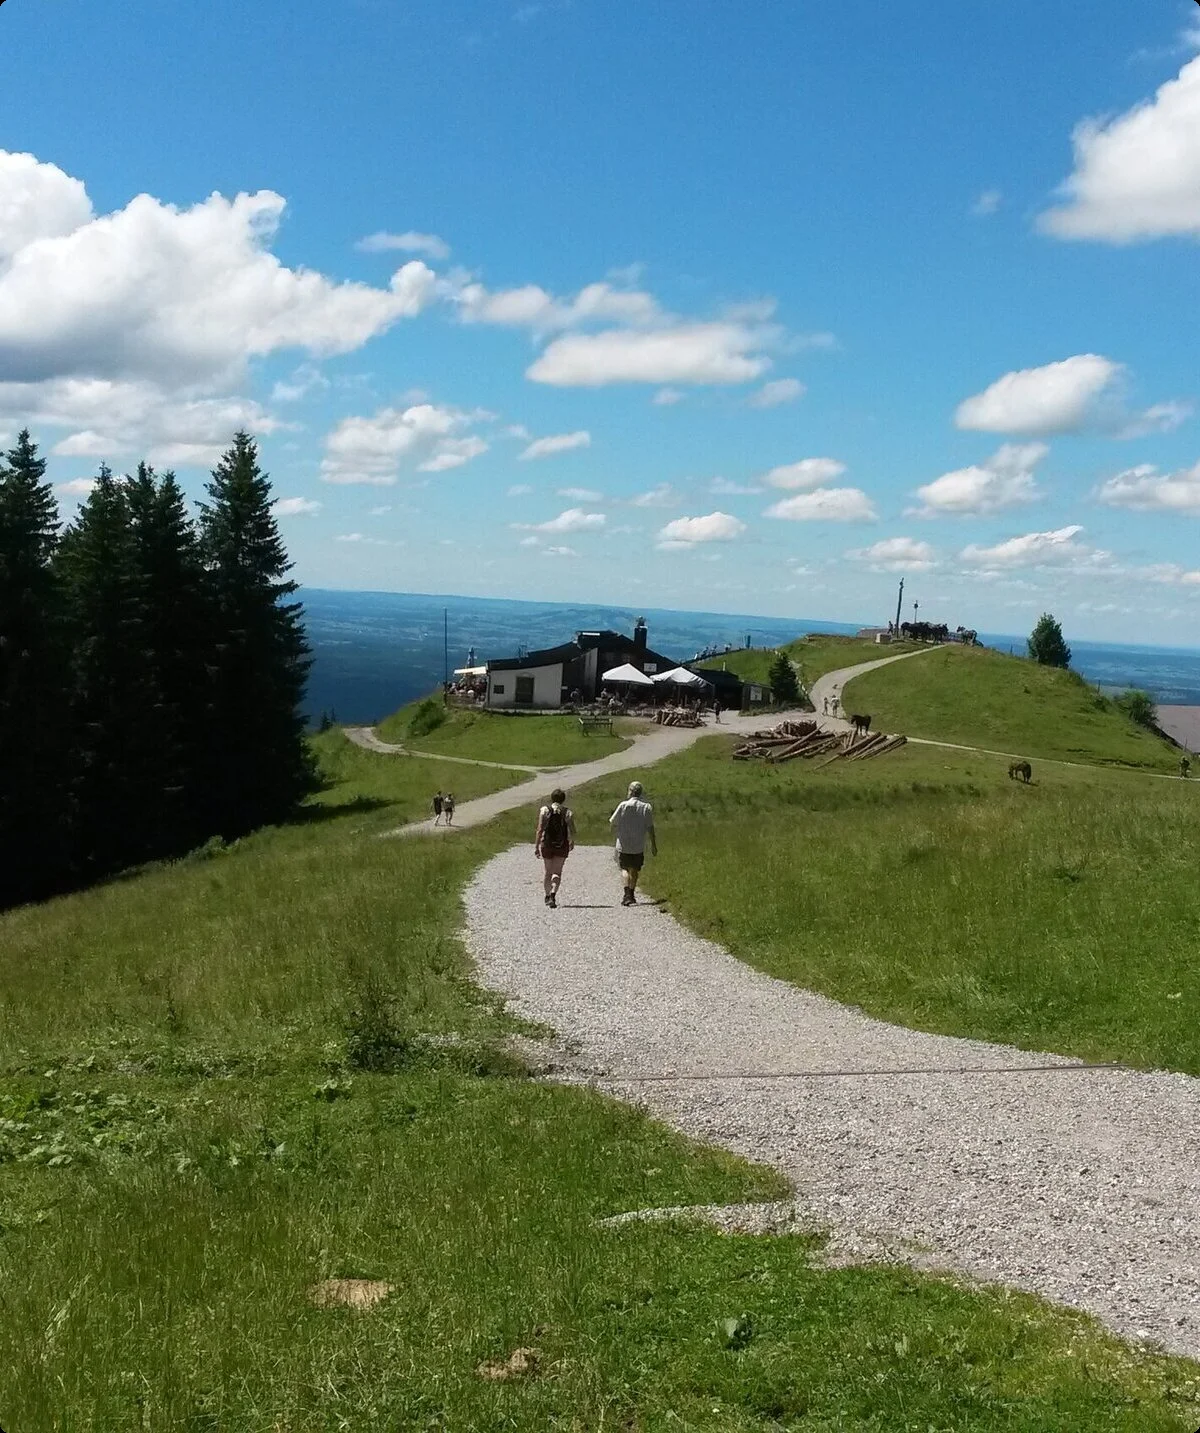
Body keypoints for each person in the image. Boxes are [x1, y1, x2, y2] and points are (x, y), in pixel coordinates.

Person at [609, 780, 657, 906]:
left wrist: (615, 831)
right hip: (638, 844)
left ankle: (626, 894)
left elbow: (612, 821)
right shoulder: (646, 807)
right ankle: (631, 893)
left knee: (624, 868)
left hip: (623, 843)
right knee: (634, 869)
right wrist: (653, 844)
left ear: (630, 791)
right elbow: (650, 827)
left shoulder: (623, 805)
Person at [534, 787, 576, 908]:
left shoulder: (544, 810)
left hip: (547, 844)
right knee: (557, 872)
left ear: (551, 798)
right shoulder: (568, 812)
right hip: (562, 845)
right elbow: (572, 830)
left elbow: (540, 829)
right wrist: (571, 841)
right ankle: (553, 894)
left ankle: (547, 895)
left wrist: (536, 846)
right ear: (563, 800)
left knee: (548, 872)